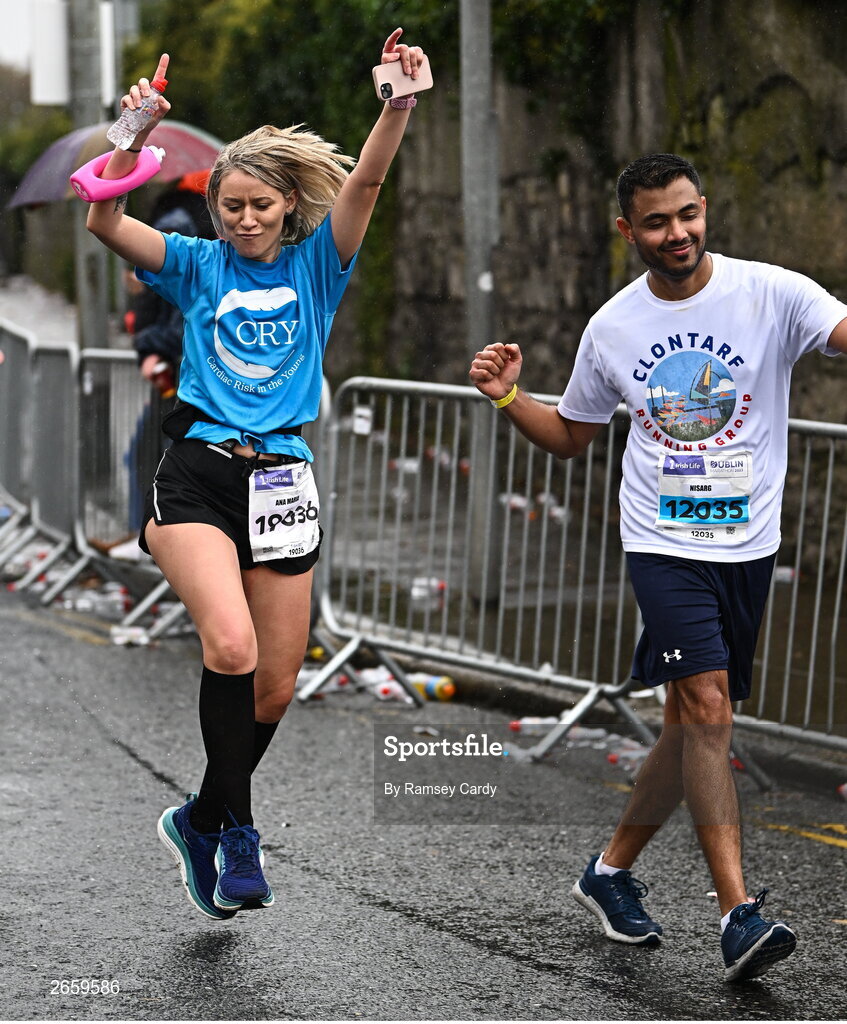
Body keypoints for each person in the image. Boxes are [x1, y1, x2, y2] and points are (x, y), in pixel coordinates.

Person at [469, 152, 847, 981]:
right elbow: (573, 434)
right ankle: (736, 916)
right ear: (626, 229)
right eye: (655, 222)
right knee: (707, 709)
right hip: (661, 542)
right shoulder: (612, 327)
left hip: (747, 544)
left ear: (703, 209)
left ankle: (606, 874)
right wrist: (506, 398)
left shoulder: (771, 292)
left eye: (686, 215)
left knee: (688, 730)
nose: (675, 234)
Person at [83, 32, 426, 920]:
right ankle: (239, 832)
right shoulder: (196, 265)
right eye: (230, 204)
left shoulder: (320, 266)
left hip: (282, 479)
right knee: (229, 648)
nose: (243, 219)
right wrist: (130, 134)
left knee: (275, 685)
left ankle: (199, 817)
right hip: (197, 472)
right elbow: (104, 221)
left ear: (285, 208)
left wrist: (394, 107)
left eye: (258, 205)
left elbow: (367, 185)